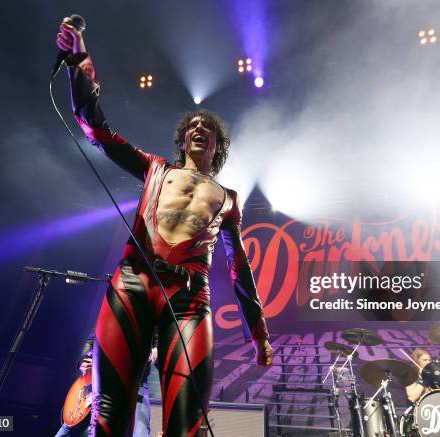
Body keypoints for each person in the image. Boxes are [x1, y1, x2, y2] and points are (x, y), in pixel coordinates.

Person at [55, 17, 273, 437]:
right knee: (108, 414)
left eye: (206, 129)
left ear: (217, 145)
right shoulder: (155, 169)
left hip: (189, 300)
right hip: (133, 283)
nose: (198, 128)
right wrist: (78, 61)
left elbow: (239, 266)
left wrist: (258, 332)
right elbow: (97, 130)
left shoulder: (228, 198)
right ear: (183, 139)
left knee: (187, 420)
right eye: (192, 126)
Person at [55, 335, 158, 437]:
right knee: (69, 428)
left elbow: (159, 335)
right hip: (103, 381)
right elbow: (92, 340)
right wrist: (84, 359)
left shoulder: (151, 324)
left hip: (135, 385)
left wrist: (156, 347)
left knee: (141, 432)